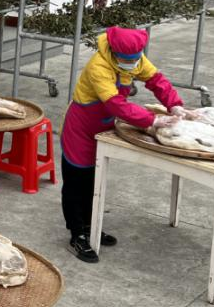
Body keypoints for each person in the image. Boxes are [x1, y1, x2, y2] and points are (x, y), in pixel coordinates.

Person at [60, 26, 186, 264]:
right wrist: (152, 120)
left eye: (134, 59)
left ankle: (92, 226)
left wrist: (174, 104)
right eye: (126, 60)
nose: (131, 64)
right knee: (77, 182)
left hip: (103, 126)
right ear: (114, 53)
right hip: (80, 129)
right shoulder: (99, 66)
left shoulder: (135, 59)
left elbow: (156, 80)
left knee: (96, 180)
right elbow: (115, 104)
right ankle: (77, 234)